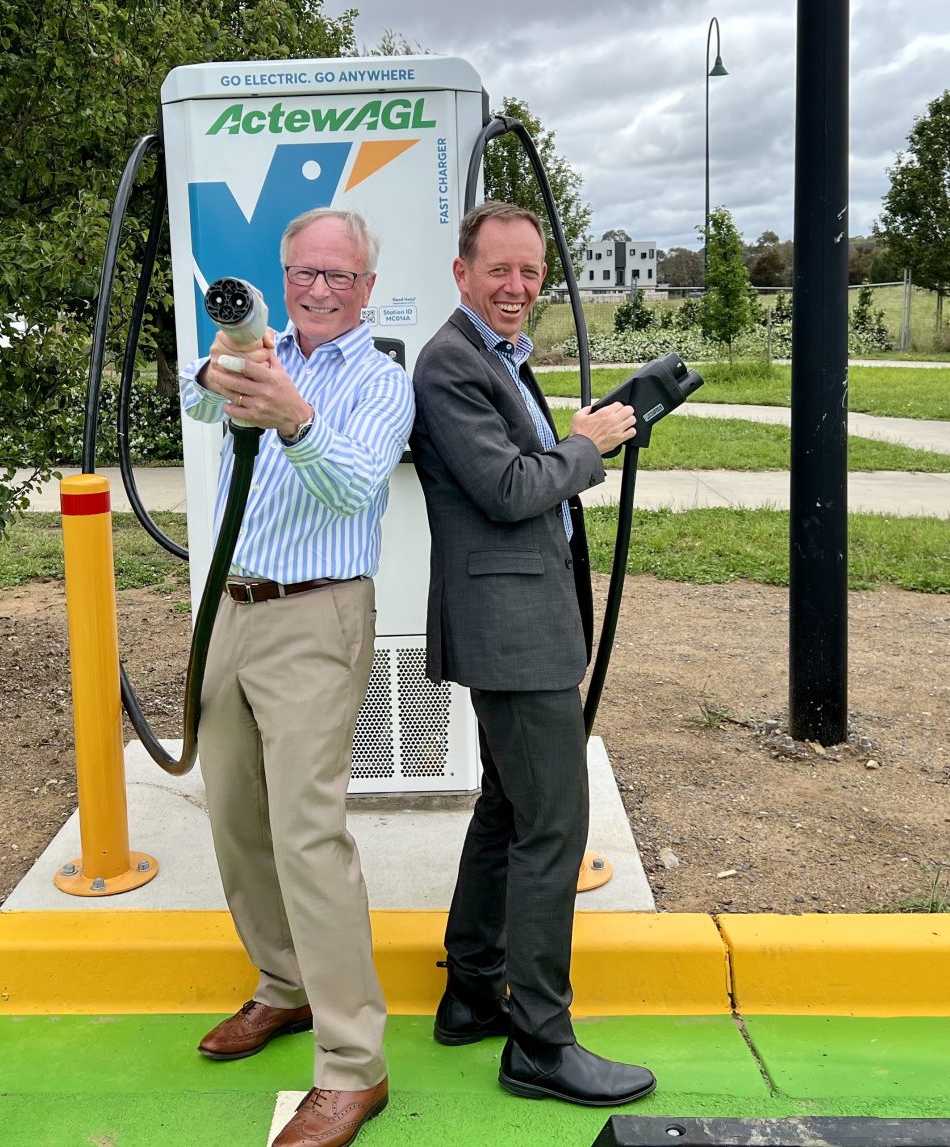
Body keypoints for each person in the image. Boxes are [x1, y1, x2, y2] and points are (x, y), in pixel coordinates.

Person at [408, 201, 657, 1107]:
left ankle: (473, 995)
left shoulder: (494, 356)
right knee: (553, 828)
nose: (516, 288)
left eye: (530, 273)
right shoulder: (452, 363)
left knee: (508, 811)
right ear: (462, 272)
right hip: (513, 633)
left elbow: (527, 466)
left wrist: (580, 440)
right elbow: (511, 486)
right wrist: (586, 447)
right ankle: (541, 1042)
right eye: (498, 271)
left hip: (521, 619)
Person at [179, 208, 413, 1147]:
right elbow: (195, 405)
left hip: (317, 615)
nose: (318, 289)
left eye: (338, 276)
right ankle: (284, 986)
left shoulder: (382, 379)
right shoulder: (260, 348)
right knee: (235, 818)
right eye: (303, 272)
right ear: (283, 276)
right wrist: (218, 366)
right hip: (231, 605)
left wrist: (297, 418)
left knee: (309, 834)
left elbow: (356, 484)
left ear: (365, 287)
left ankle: (355, 1065)